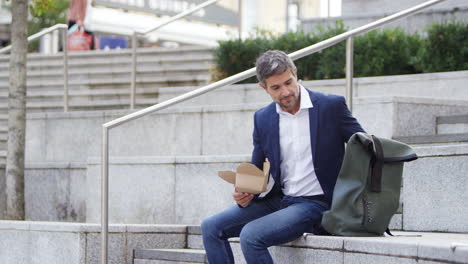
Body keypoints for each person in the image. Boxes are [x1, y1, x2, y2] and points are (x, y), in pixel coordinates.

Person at [201, 50, 365, 264]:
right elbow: (257, 168)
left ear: (295, 73)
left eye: (288, 82)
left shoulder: (330, 107)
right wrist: (244, 191)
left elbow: (365, 146)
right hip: (279, 199)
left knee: (251, 236)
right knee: (210, 227)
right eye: (276, 87)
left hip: (316, 203)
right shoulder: (263, 118)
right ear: (264, 88)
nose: (286, 92)